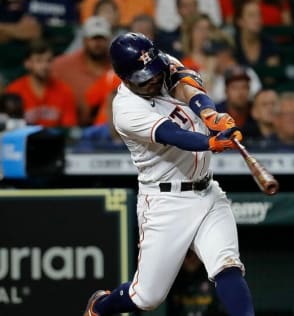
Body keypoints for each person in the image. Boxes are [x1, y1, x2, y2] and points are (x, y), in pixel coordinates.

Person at [82, 32, 255, 316]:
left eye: (153, 72)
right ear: (124, 78)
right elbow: (173, 134)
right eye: (143, 77)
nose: (152, 79)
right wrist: (211, 142)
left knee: (227, 267)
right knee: (146, 298)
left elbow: (188, 88)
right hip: (165, 203)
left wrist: (210, 114)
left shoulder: (161, 65)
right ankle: (100, 306)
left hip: (208, 192)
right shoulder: (125, 109)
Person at [167, 249, 228, 316]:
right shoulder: (172, 279)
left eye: (196, 254)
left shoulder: (214, 276)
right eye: (188, 254)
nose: (192, 258)